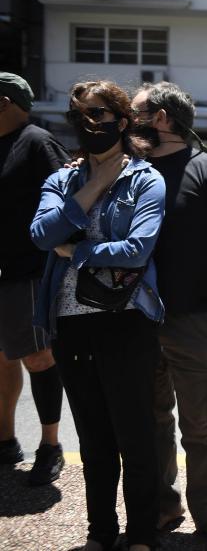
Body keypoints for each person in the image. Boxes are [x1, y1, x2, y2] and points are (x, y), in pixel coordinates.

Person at [30, 80, 166, 551]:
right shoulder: (63, 179)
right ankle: (100, 533)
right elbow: (43, 235)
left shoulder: (147, 179)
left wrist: (79, 249)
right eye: (82, 115)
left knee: (136, 434)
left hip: (125, 319)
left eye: (101, 114)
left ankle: (143, 535)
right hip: (70, 322)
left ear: (123, 120)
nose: (92, 124)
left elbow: (137, 250)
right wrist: (93, 187)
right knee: (93, 436)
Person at [130, 82, 207, 551]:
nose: (126, 121)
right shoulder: (129, 171)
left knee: (205, 426)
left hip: (195, 318)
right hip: (134, 322)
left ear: (160, 118)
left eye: (134, 113)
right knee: (148, 424)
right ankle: (162, 509)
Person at [0, 72, 69, 485]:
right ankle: (5, 441)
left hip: (27, 272)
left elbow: (67, 198)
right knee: (3, 358)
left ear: (4, 102)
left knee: (38, 358)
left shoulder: (38, 142)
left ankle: (50, 445)